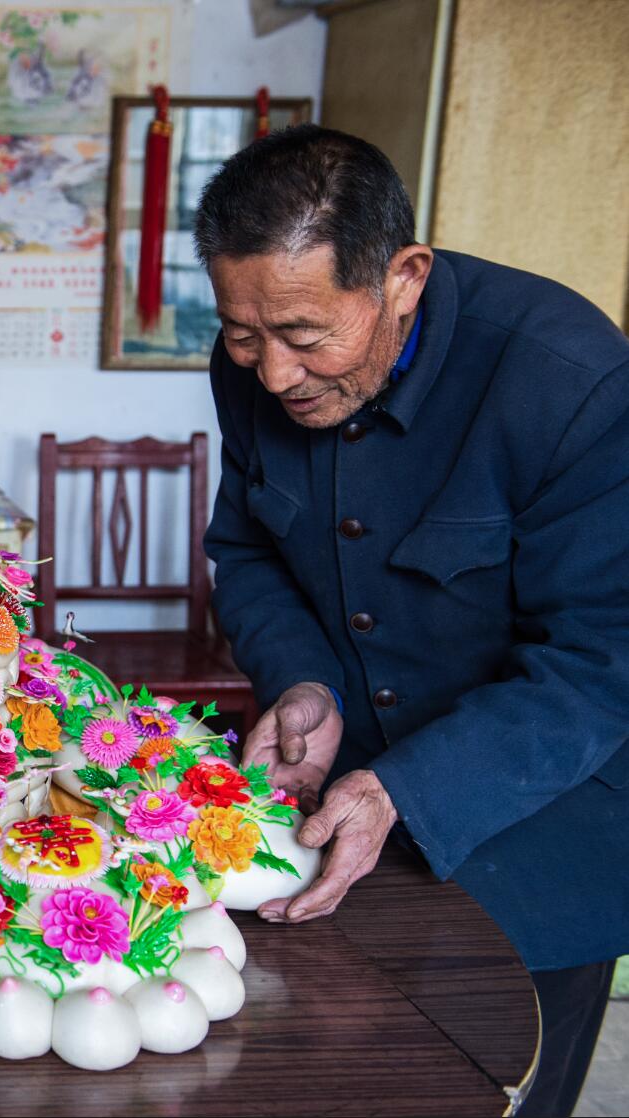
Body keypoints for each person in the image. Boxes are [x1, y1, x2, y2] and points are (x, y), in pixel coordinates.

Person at [195, 124, 629, 1117]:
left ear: (402, 277)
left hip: (541, 808)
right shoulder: (255, 354)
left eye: (303, 336)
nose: (272, 374)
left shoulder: (565, 378)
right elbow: (248, 550)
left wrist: (405, 786)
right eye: (241, 335)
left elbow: (605, 656)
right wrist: (303, 681)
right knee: (318, 1069)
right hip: (338, 799)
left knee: (492, 1082)